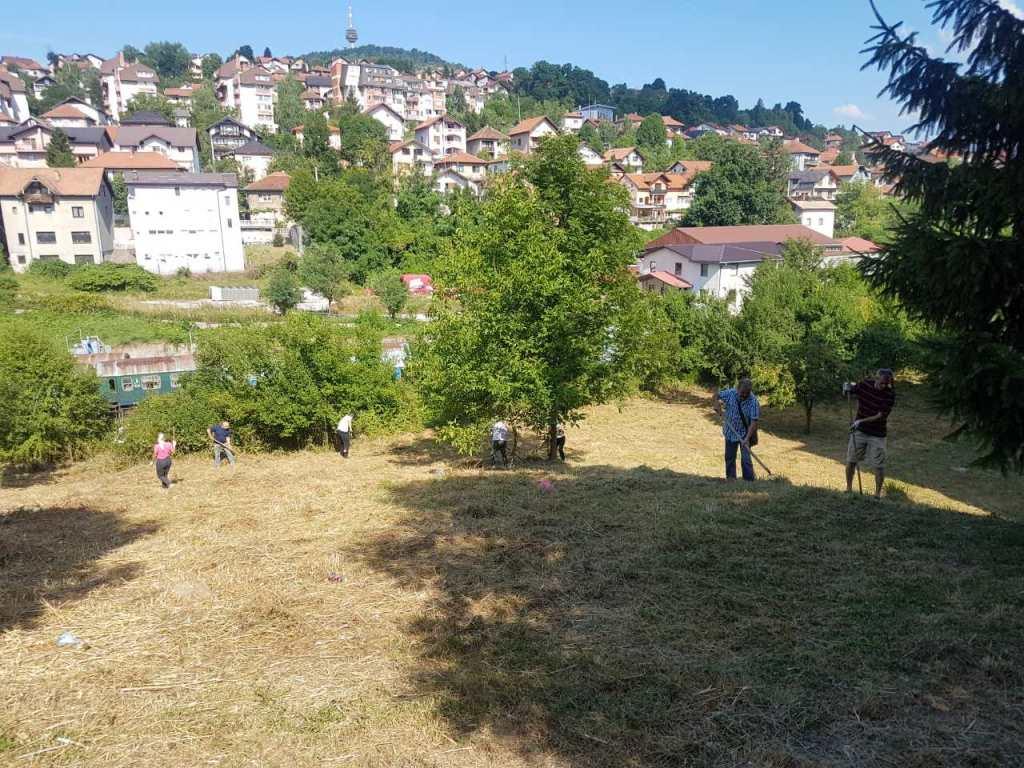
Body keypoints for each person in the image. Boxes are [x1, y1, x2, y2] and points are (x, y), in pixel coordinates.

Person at [845, 368, 896, 499]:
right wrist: (847, 388)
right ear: (876, 378)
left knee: (878, 465)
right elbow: (852, 390)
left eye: (887, 383)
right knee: (851, 460)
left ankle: (877, 495)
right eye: (882, 383)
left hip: (877, 434)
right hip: (859, 432)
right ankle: (848, 489)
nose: (885, 386)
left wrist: (860, 421)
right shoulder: (865, 384)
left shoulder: (890, 394)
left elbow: (880, 416)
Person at [712, 378, 761, 482]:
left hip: (745, 433)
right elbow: (716, 395)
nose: (744, 395)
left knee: (746, 459)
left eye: (746, 393)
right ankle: (731, 479)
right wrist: (716, 404)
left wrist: (747, 438)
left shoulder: (753, 402)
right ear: (737, 389)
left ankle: (748, 481)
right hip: (730, 431)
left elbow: (754, 423)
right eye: (742, 392)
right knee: (729, 457)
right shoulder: (730, 393)